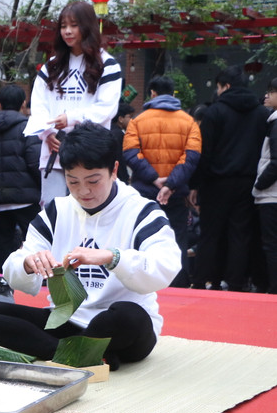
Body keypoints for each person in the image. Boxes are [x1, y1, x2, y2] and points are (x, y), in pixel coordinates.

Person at [0, 122, 181, 370]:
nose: (83, 191)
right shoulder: (57, 211)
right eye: (73, 181)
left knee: (127, 314)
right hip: (67, 320)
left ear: (114, 170)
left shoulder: (142, 210)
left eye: (93, 181)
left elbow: (166, 264)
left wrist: (112, 257)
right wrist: (28, 264)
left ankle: (73, 352)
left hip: (118, 326)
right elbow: (15, 267)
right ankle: (72, 354)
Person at [25, 1, 122, 207]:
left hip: (90, 153)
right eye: (63, 26)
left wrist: (71, 119)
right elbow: (38, 105)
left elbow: (107, 108)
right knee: (54, 213)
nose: (67, 31)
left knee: (91, 208)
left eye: (74, 25)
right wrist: (47, 133)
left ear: (87, 26)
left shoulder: (107, 64)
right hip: (53, 151)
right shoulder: (51, 66)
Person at [189, 65, 270, 291]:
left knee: (210, 234)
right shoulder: (262, 114)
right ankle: (236, 282)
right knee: (240, 234)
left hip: (216, 183)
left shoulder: (215, 112)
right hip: (249, 182)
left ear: (225, 86)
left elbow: (205, 153)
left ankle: (203, 280)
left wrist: (195, 184)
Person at [123, 75, 201, 288]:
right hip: (176, 194)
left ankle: (143, 284)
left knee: (142, 235)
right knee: (177, 239)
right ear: (172, 93)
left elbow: (130, 154)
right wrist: (170, 184)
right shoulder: (189, 122)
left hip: (144, 192)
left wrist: (154, 179)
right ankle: (178, 284)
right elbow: (191, 157)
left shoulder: (137, 121)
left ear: (152, 93)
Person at [0, 84, 42, 282]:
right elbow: (34, 160)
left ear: (0, 102)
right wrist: (40, 187)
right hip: (25, 196)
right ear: (23, 103)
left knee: (2, 245)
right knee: (35, 241)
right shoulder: (27, 126)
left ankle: (3, 282)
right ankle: (39, 281)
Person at [252, 78, 277, 294]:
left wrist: (259, 185)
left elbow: (275, 161)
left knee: (271, 244)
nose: (266, 96)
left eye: (271, 92)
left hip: (272, 194)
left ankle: (273, 288)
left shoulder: (276, 122)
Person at [110, 101, 134, 183]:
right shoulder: (118, 134)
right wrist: (125, 178)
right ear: (120, 119)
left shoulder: (110, 130)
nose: (131, 120)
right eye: (129, 117)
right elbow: (119, 159)